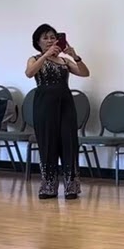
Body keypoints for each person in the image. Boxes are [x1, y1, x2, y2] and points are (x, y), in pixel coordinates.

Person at [25, 24, 89, 199]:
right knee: (47, 143)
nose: (49, 40)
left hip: (65, 104)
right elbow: (29, 73)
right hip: (44, 105)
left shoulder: (64, 60)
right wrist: (45, 55)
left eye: (52, 37)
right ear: (38, 41)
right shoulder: (34, 58)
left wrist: (75, 56)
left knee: (69, 142)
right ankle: (48, 186)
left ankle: (71, 186)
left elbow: (84, 73)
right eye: (45, 38)